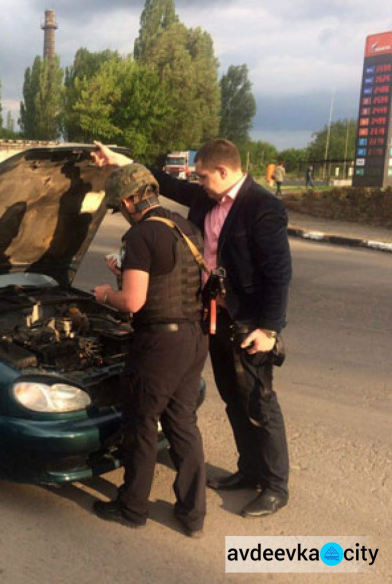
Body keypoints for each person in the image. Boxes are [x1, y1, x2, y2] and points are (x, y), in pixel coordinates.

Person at [93, 139, 292, 519]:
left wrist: (269, 328)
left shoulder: (262, 207)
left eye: (202, 175)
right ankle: (248, 470)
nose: (196, 182)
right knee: (233, 399)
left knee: (260, 402)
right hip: (207, 318)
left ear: (223, 171)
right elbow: (161, 183)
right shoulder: (204, 200)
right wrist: (119, 160)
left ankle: (274, 484)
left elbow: (279, 274)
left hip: (247, 321)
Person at [90, 163, 209, 537]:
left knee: (141, 423)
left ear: (128, 199)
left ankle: (132, 507)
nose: (122, 212)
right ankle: (192, 516)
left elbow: (134, 302)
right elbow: (170, 281)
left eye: (120, 205)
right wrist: (123, 275)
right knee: (182, 424)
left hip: (160, 344)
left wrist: (107, 293)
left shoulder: (140, 236)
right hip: (194, 337)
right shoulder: (185, 226)